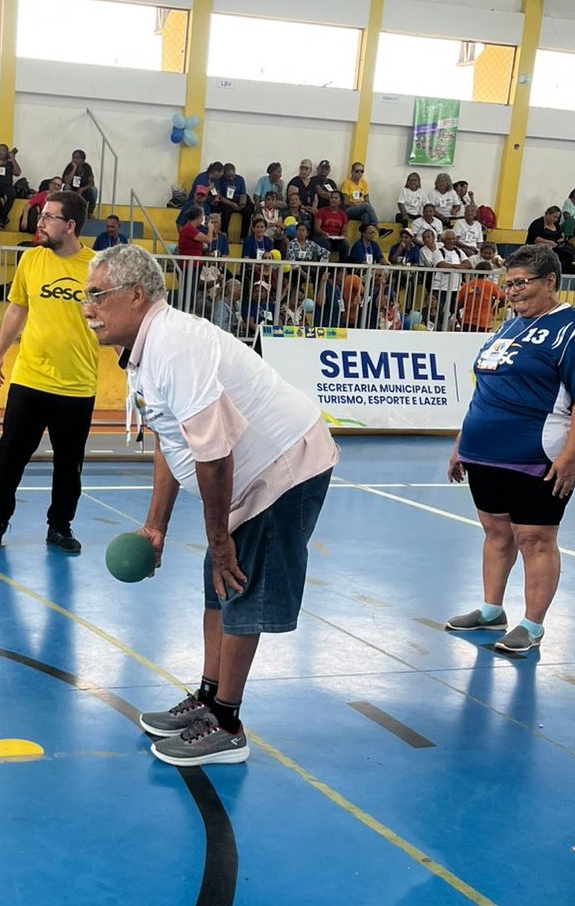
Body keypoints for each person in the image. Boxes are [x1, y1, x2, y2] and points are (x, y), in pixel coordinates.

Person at [82, 243, 337, 766]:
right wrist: (155, 527)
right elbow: (169, 439)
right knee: (216, 588)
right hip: (242, 476)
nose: (87, 308)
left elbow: (215, 453)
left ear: (135, 296)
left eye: (97, 297)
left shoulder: (175, 346)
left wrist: (220, 542)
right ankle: (208, 696)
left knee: (237, 583)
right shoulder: (143, 351)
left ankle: (228, 723)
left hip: (281, 469)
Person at [445, 244, 575, 653]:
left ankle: (532, 626)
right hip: (482, 452)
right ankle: (489, 610)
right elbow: (486, 388)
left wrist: (569, 457)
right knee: (496, 532)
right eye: (509, 283)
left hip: (537, 458)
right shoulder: (508, 327)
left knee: (534, 538)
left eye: (521, 283)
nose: (513, 291)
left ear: (550, 281)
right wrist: (462, 442)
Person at [0, 191, 97, 552]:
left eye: (48, 217)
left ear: (70, 225)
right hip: (30, 379)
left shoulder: (98, 267)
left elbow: (113, 319)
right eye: (41, 215)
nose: (40, 222)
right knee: (10, 455)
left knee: (69, 464)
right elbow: (17, 309)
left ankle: (59, 526)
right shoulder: (31, 260)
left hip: (77, 384)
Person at [339, 161, 390, 235]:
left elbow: (367, 199)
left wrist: (363, 205)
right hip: (349, 209)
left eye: (361, 171)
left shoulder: (364, 183)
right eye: (357, 171)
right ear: (352, 172)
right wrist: (356, 204)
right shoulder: (347, 183)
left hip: (361, 208)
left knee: (365, 215)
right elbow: (345, 201)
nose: (359, 173)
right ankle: (379, 228)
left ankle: (365, 237)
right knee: (366, 206)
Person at [526, 205, 575, 273]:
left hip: (554, 246)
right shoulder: (537, 223)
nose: (555, 219)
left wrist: (564, 243)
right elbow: (534, 238)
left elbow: (559, 237)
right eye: (554, 217)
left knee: (567, 253)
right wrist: (549, 242)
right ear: (547, 214)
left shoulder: (556, 225)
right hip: (539, 247)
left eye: (557, 218)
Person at [455, 261, 503, 332]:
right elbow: (504, 299)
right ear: (489, 272)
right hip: (483, 322)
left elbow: (457, 305)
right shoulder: (490, 286)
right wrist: (495, 308)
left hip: (467, 321)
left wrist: (459, 319)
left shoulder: (467, 285)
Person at [62, 149, 97, 215]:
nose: (75, 160)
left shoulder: (87, 167)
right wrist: (74, 168)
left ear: (83, 160)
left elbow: (92, 183)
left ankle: (90, 213)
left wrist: (82, 189)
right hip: (72, 191)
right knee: (66, 187)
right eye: (74, 158)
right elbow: (67, 182)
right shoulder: (70, 166)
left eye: (77, 158)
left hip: (84, 191)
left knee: (94, 190)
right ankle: (66, 211)